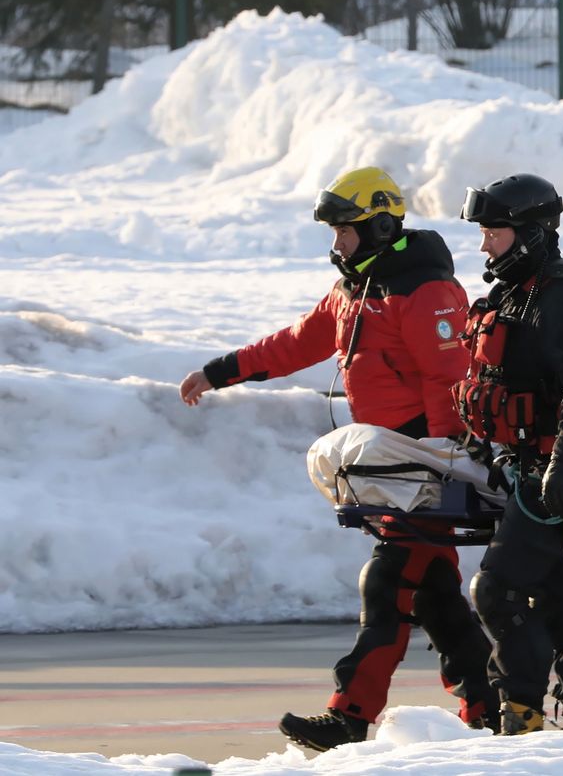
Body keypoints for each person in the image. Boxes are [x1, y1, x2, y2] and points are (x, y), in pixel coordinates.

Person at [178, 167, 500, 750]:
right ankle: (488, 704)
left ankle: (351, 715)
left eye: (344, 232)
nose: (336, 245)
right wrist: (220, 371)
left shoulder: (424, 290)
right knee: (432, 591)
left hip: (422, 460)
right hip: (389, 463)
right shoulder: (358, 287)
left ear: (378, 225)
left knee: (387, 581)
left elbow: (448, 376)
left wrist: (442, 454)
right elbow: (298, 341)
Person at [456, 173, 563, 734]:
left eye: (494, 233)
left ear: (529, 233)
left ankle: (522, 719)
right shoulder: (517, 291)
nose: (485, 245)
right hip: (530, 467)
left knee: (498, 590)